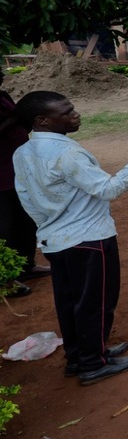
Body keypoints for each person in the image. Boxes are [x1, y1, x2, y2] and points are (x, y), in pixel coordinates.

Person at [13, 91, 128, 384]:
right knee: (96, 301)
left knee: (70, 302)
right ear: (42, 120)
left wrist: (47, 226)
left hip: (55, 240)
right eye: (67, 111)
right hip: (89, 239)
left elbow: (26, 197)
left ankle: (79, 355)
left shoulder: (22, 152)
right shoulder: (66, 153)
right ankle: (94, 363)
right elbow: (108, 189)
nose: (75, 114)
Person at [0, 71, 48, 297]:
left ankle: (26, 265)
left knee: (26, 219)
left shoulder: (2, 96)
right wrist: (16, 118)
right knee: (6, 226)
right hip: (2, 175)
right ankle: (7, 278)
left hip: (20, 168)